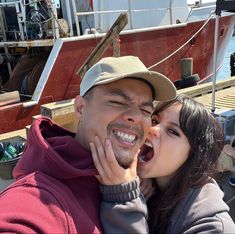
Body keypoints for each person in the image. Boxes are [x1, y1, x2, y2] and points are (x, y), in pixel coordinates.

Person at [0, 56, 176, 232]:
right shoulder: (39, 196)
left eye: (146, 110)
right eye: (117, 102)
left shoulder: (137, 176)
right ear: (80, 108)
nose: (136, 117)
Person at [91, 94, 235, 234]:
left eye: (172, 131)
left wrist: (124, 199)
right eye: (154, 121)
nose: (152, 130)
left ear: (195, 155)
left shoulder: (212, 227)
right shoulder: (146, 189)